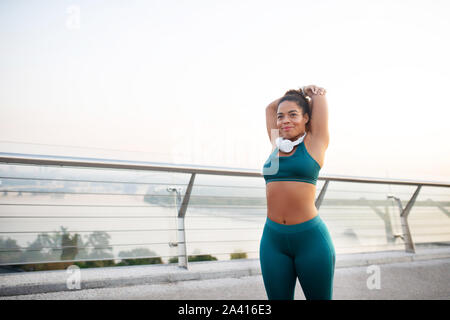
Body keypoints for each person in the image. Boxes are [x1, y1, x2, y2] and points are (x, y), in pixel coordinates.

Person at [260, 85, 336, 300]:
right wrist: (292, 96)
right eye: (281, 117)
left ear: (306, 118)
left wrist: (308, 93)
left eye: (293, 115)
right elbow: (270, 108)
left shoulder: (315, 143)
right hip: (272, 240)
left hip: (310, 240)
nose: (285, 120)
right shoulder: (277, 143)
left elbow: (320, 99)